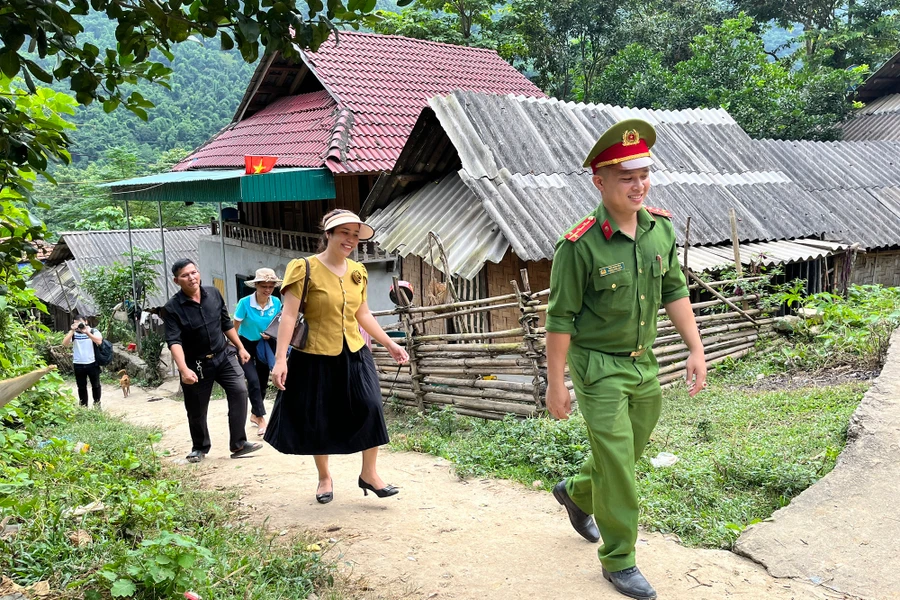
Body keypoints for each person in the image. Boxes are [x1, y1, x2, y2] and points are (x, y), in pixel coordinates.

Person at [544, 119, 707, 600]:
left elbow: (674, 290)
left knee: (626, 454)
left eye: (644, 175)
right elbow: (560, 321)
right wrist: (557, 384)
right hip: (598, 368)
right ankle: (619, 559)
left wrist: (696, 348)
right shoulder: (579, 245)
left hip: (644, 363)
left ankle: (575, 493)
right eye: (626, 177)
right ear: (600, 182)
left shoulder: (660, 230)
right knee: (618, 464)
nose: (639, 185)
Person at [265, 209, 409, 504]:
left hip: (355, 351)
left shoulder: (359, 272)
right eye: (344, 232)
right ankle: (324, 477)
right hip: (314, 355)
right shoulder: (303, 268)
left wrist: (389, 344)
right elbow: (289, 316)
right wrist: (280, 359)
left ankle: (369, 473)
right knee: (320, 418)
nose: (351, 240)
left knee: (371, 407)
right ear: (328, 234)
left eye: (355, 235)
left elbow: (362, 313)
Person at [163, 259, 263, 463]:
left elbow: (226, 324)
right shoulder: (172, 308)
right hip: (196, 364)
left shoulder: (214, 294)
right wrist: (183, 369)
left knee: (239, 391)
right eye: (185, 275)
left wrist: (241, 347)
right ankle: (199, 447)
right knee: (196, 408)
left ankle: (239, 444)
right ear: (176, 280)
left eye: (194, 272)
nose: (191, 277)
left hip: (223, 355)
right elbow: (174, 341)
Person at [233, 268, 283, 437]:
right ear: (256, 286)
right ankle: (261, 419)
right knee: (252, 380)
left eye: (271, 286)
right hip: (245, 344)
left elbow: (279, 322)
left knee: (261, 382)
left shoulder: (275, 302)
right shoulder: (245, 303)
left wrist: (271, 334)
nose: (267, 289)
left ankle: (255, 414)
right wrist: (236, 347)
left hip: (265, 344)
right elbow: (235, 326)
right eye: (264, 286)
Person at [62, 317, 103, 409]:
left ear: (86, 322)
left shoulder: (93, 331)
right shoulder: (74, 333)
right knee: (81, 387)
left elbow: (99, 341)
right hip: (78, 363)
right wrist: (72, 331)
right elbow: (64, 344)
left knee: (96, 385)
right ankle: (83, 406)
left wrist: (87, 332)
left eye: (80, 323)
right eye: (76, 323)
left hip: (92, 362)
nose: (79, 325)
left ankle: (97, 405)